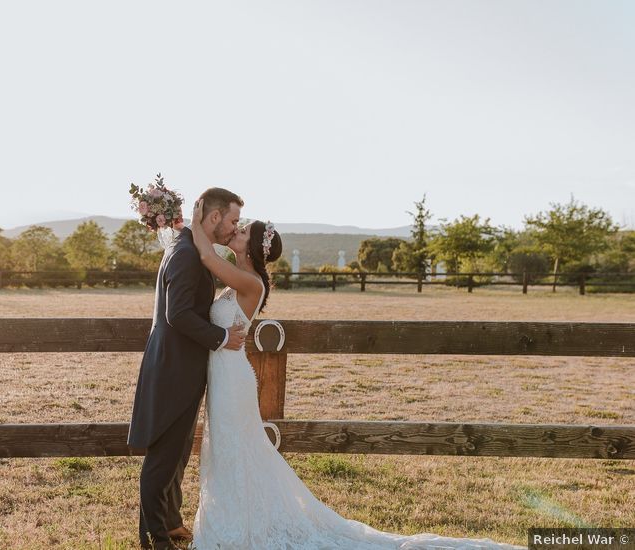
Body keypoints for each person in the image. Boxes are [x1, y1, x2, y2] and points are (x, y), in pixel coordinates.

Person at [186, 198, 526, 550]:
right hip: (225, 375)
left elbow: (208, 258)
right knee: (232, 451)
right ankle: (237, 518)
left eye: (241, 231)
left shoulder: (251, 282)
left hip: (233, 380)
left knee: (236, 450)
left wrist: (193, 222)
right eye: (237, 226)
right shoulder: (241, 275)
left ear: (253, 247)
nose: (234, 232)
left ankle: (237, 527)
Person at [127, 188, 249, 549]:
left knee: (178, 452)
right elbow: (176, 313)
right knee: (163, 457)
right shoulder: (185, 255)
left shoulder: (191, 249)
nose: (233, 227)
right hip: (173, 369)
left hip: (181, 367)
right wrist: (221, 337)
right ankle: (154, 537)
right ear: (214, 218)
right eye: (232, 221)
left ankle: (171, 520)